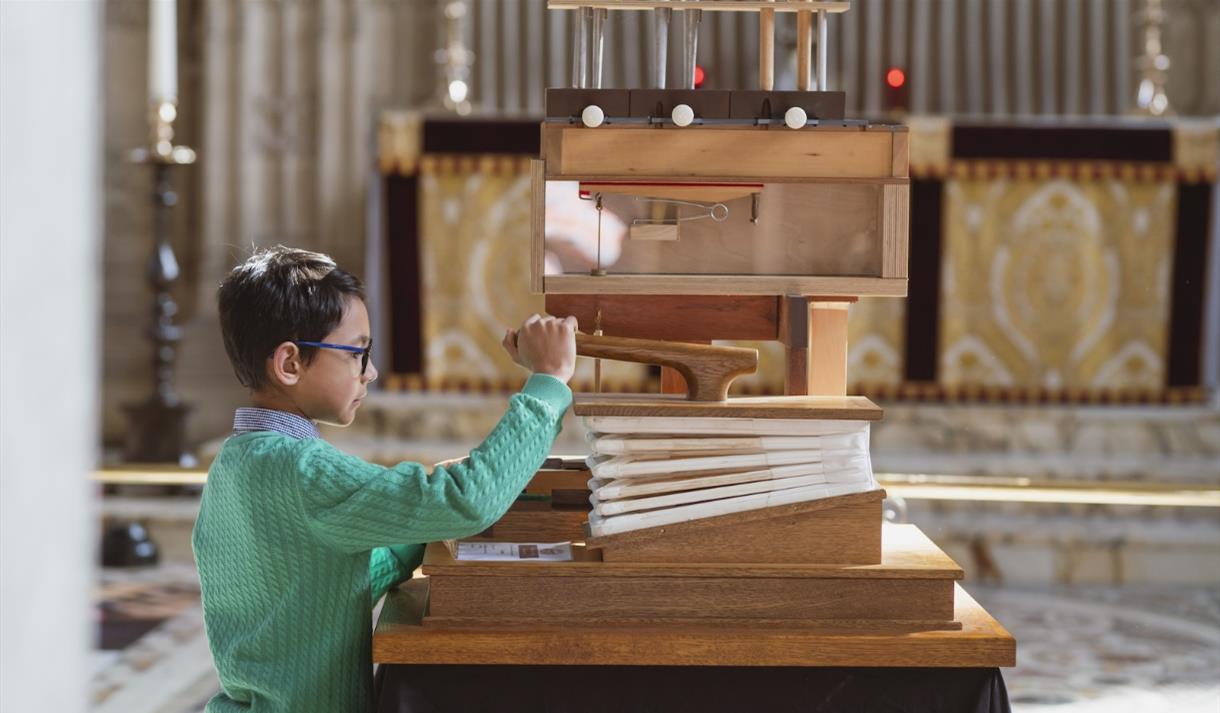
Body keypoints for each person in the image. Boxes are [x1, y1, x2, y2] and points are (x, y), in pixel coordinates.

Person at [192, 246, 576, 712]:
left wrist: (418, 521)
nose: (370, 372)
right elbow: (466, 502)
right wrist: (548, 382)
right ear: (290, 364)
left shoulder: (236, 463)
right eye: (357, 353)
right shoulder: (304, 472)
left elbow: (321, 588)